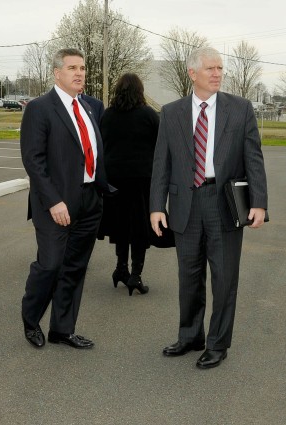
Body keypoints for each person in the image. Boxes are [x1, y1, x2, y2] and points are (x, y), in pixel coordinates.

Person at [150, 46, 268, 369]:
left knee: (224, 277)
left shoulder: (240, 109)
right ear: (192, 74)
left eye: (220, 68)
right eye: (210, 69)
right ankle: (190, 336)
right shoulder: (171, 113)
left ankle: (217, 343)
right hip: (186, 203)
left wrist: (258, 202)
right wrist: (156, 206)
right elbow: (162, 162)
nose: (217, 74)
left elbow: (253, 158)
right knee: (188, 275)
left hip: (224, 202)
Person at [20, 48, 111, 349]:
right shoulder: (40, 108)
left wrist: (101, 188)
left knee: (75, 267)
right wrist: (53, 201)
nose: (80, 73)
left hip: (89, 201)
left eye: (83, 68)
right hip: (55, 204)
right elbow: (34, 160)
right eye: (72, 67)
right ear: (57, 73)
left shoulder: (90, 107)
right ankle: (31, 319)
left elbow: (94, 150)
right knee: (50, 265)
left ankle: (63, 328)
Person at [97, 73, 160, 296]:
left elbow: (102, 145)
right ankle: (136, 275)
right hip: (142, 180)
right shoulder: (149, 115)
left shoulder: (108, 115)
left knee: (120, 226)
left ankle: (120, 269)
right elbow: (159, 146)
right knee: (140, 227)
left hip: (114, 180)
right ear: (139, 91)